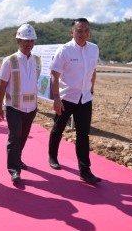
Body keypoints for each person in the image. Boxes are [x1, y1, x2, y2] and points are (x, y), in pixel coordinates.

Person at [48, 18, 102, 184]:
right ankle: (52, 156)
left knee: (83, 134)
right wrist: (56, 98)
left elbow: (93, 71)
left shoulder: (94, 49)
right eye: (79, 31)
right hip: (67, 97)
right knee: (58, 128)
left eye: (86, 31)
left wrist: (91, 88)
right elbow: (54, 75)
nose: (82, 34)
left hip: (85, 98)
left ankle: (85, 170)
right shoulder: (64, 50)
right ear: (72, 32)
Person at [0, 24, 41, 183]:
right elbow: (2, 85)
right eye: (25, 41)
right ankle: (14, 169)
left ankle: (18, 158)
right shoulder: (10, 60)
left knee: (23, 136)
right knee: (14, 137)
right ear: (18, 41)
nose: (28, 44)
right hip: (14, 107)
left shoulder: (36, 60)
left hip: (31, 108)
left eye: (31, 41)